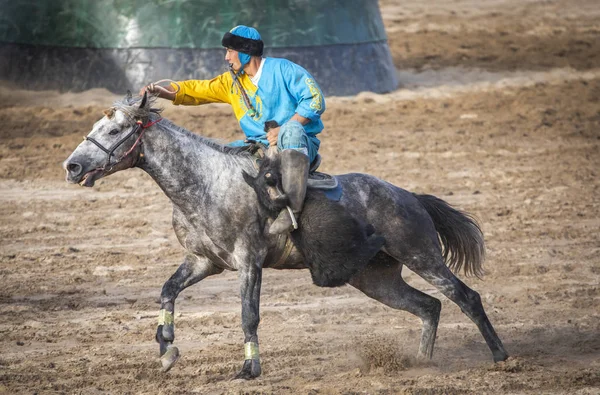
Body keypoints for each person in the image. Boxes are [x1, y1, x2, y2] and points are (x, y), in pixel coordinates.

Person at [140, 25, 325, 235]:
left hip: (296, 141)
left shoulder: (284, 69)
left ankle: (292, 211)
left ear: (245, 50)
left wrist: (283, 129)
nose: (226, 57)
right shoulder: (231, 83)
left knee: (291, 130)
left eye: (230, 51)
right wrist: (164, 92)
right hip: (258, 147)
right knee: (223, 156)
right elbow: (198, 89)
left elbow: (315, 99)